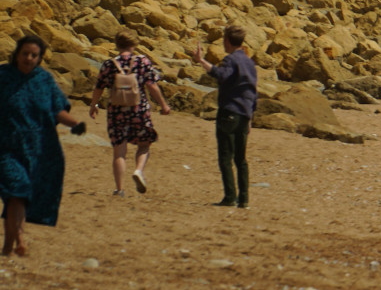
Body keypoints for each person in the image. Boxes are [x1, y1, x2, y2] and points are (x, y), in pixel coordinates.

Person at [1, 35, 86, 256]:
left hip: (39, 148)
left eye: (34, 55)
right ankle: (20, 238)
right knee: (17, 189)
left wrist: (75, 124)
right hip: (6, 147)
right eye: (25, 54)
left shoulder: (44, 80)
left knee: (18, 195)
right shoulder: (3, 76)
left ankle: (8, 247)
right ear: (17, 54)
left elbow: (57, 110)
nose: (28, 58)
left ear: (39, 58)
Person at [89, 31, 169, 196]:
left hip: (116, 111)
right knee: (144, 144)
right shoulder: (142, 61)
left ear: (117, 45)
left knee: (119, 152)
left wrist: (94, 105)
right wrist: (163, 105)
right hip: (138, 110)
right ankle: (138, 170)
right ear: (134, 44)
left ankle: (119, 189)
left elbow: (99, 87)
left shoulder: (109, 64)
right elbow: (152, 85)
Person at [188, 25, 256, 208]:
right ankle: (244, 199)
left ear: (227, 41)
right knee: (241, 159)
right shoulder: (249, 63)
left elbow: (221, 75)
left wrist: (201, 60)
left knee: (225, 157)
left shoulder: (230, 60)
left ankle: (229, 197)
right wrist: (250, 117)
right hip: (244, 113)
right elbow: (252, 92)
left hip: (229, 112)